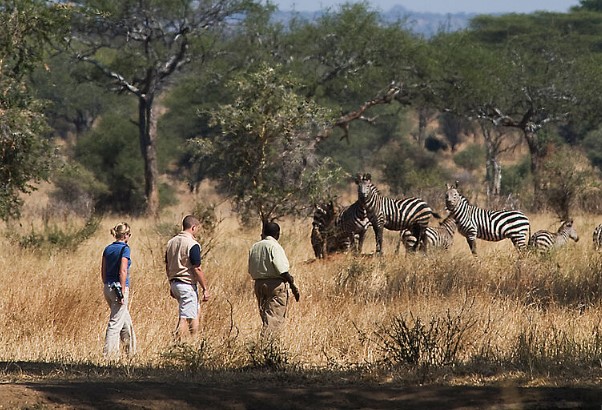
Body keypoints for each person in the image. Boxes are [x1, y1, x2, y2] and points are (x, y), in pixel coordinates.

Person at [248, 221, 300, 337]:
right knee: (274, 320)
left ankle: (264, 346)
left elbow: (250, 268)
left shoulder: (255, 247)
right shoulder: (275, 246)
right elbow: (282, 270)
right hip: (275, 285)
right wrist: (292, 284)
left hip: (259, 284)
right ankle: (267, 348)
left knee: (265, 317)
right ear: (277, 234)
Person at [165, 215, 210, 340]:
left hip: (175, 283)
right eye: (198, 228)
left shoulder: (171, 242)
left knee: (195, 311)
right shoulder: (192, 244)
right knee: (184, 317)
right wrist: (205, 288)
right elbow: (197, 268)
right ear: (193, 227)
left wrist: (171, 283)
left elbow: (167, 265)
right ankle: (178, 343)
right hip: (186, 285)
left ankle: (194, 340)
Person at [101, 222, 136, 359]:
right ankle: (109, 356)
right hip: (119, 288)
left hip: (108, 287)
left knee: (126, 321)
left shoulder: (108, 249)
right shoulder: (125, 249)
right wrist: (121, 291)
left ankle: (131, 353)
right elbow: (123, 270)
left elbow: (103, 270)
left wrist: (106, 284)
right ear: (126, 235)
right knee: (115, 324)